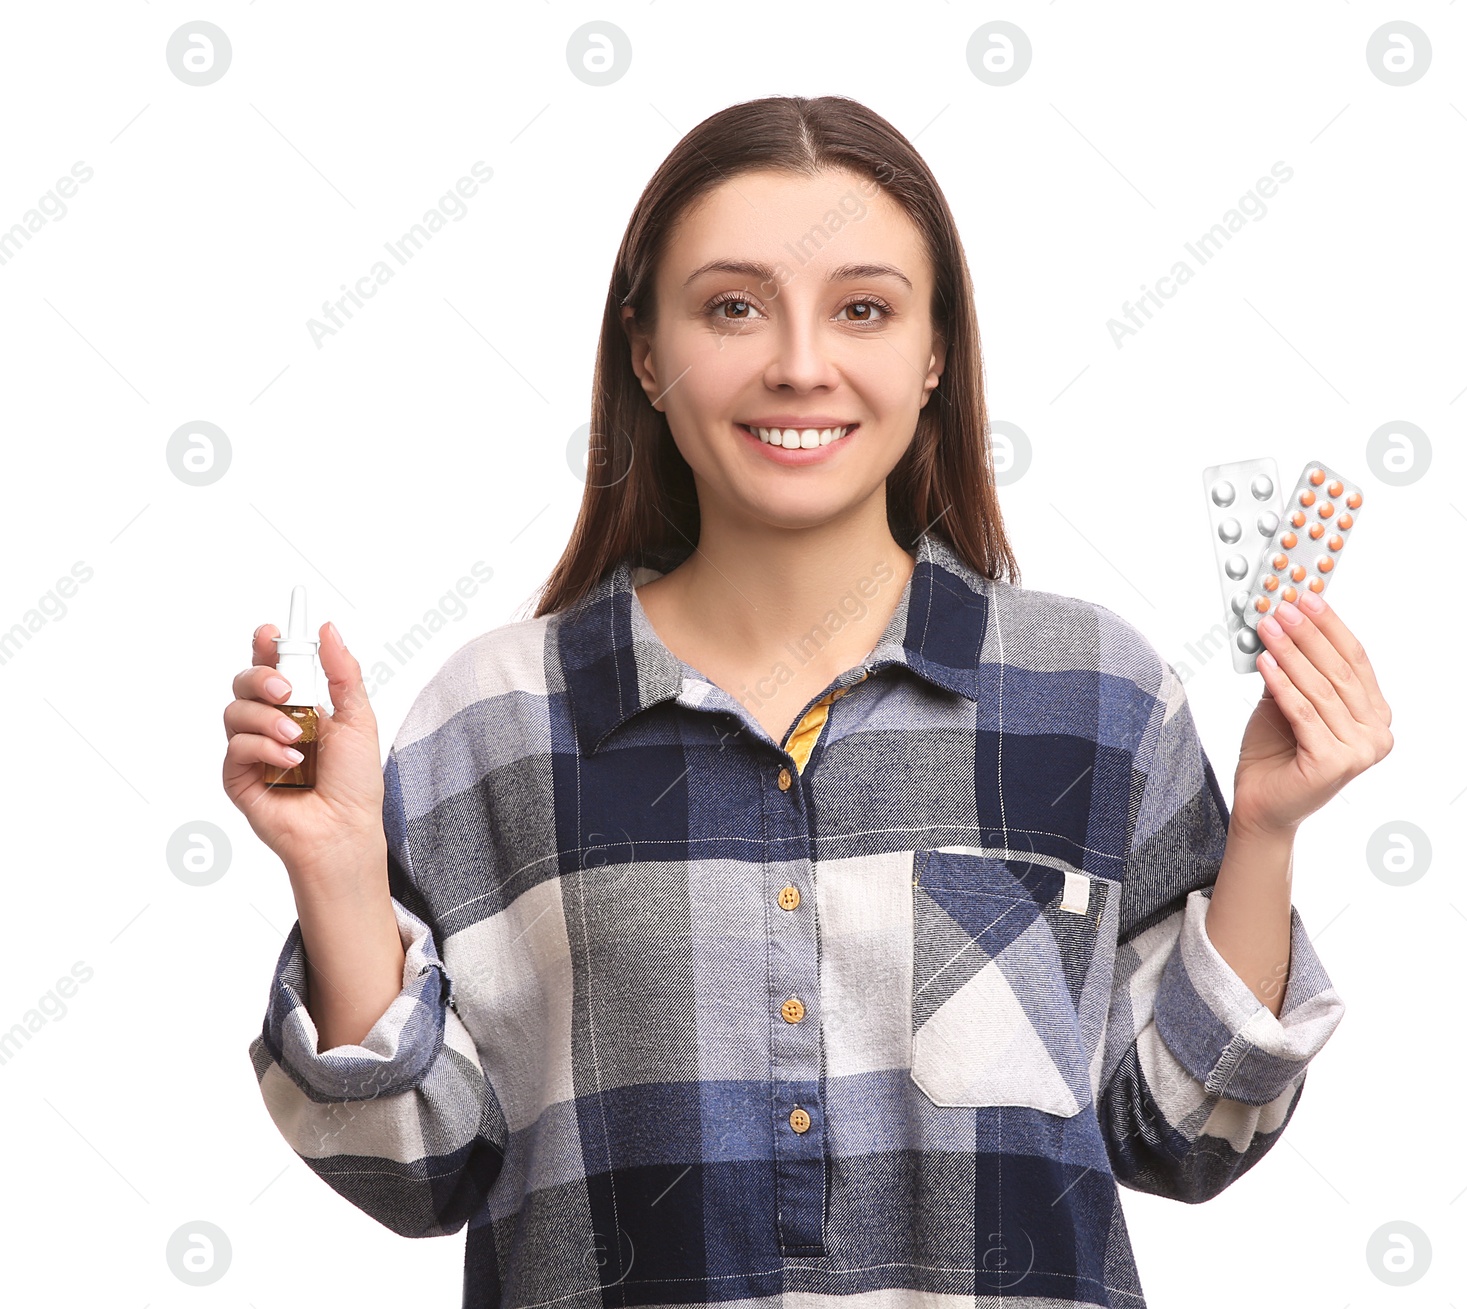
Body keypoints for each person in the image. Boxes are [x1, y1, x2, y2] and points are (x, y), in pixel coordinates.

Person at [223, 94, 1393, 1308]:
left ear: (933, 353)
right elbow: (417, 1173)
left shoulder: (1092, 694)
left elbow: (1186, 1136)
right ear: (643, 351)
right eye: (732, 306)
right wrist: (340, 870)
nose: (796, 362)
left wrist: (1263, 827)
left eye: (863, 309)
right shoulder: (494, 720)